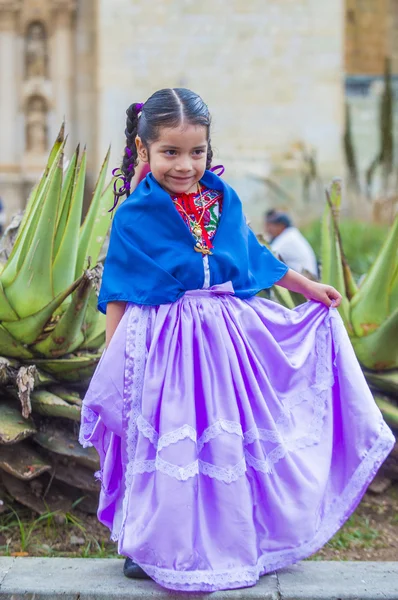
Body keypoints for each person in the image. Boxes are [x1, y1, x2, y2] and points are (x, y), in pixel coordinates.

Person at [79, 88, 395, 593]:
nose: (185, 165)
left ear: (209, 149)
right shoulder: (133, 217)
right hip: (164, 350)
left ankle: (237, 537)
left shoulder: (222, 199)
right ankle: (148, 544)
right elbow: (119, 291)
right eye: (170, 152)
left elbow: (252, 256)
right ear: (144, 151)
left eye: (197, 152)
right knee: (161, 441)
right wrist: (113, 367)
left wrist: (308, 287)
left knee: (226, 441)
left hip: (225, 346)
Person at [265, 209, 318, 278]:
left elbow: (267, 256)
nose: (268, 230)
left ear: (281, 226)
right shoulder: (291, 234)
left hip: (305, 280)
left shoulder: (287, 238)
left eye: (271, 226)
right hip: (306, 279)